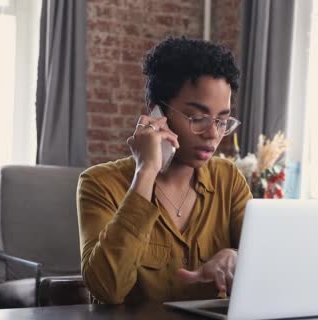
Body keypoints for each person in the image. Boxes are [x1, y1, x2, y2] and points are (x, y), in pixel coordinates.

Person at [77, 36, 252, 304]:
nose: (213, 134)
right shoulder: (100, 183)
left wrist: (236, 256)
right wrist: (145, 172)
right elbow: (107, 289)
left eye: (222, 121)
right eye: (198, 118)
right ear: (157, 111)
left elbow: (270, 262)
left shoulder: (228, 180)